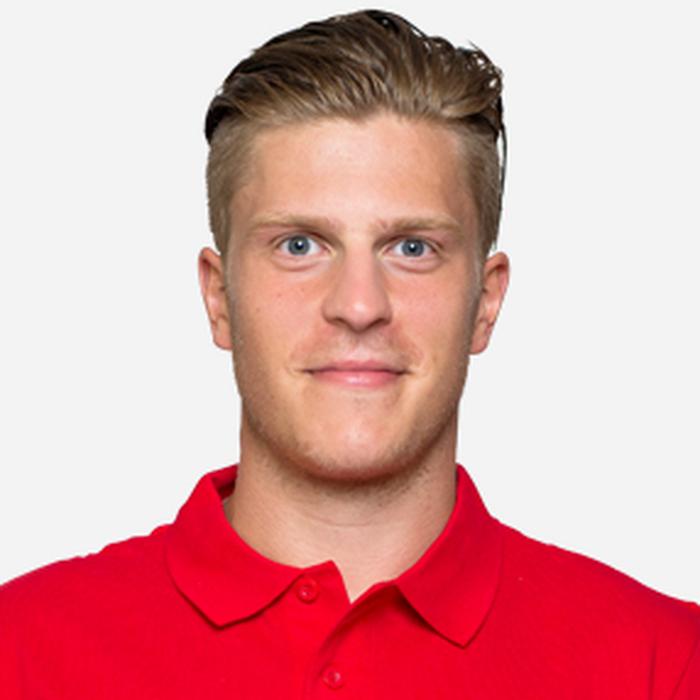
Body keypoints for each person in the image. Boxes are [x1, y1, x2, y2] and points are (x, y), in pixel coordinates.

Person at [1, 9, 698, 698]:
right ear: (219, 297)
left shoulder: (664, 665)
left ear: (485, 302)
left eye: (412, 248)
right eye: (299, 245)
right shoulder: (21, 651)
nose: (360, 305)